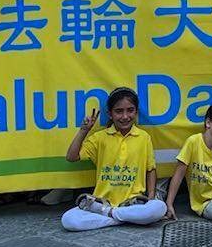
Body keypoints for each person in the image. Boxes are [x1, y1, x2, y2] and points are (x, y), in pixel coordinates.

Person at [60, 87, 169, 231]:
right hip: (102, 201)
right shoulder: (100, 137)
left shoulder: (144, 137)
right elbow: (71, 157)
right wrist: (84, 130)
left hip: (133, 203)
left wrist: (151, 198)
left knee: (159, 207)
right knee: (68, 220)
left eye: (130, 110)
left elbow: (150, 169)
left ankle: (110, 215)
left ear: (136, 112)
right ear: (110, 114)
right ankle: (122, 217)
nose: (125, 116)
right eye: (119, 111)